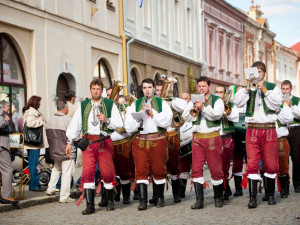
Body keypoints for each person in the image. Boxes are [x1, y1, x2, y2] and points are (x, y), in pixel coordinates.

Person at [65, 79, 122, 215]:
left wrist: (106, 120)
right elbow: (75, 124)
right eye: (93, 88)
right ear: (90, 90)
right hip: (88, 142)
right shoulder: (83, 105)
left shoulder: (109, 104)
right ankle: (90, 206)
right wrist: (69, 141)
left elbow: (119, 123)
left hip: (104, 141)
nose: (95, 91)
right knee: (88, 172)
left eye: (98, 89)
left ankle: (109, 201)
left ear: (101, 90)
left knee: (107, 172)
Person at [234, 61, 282, 208]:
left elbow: (276, 104)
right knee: (252, 163)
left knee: (271, 163)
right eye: (255, 72)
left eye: (260, 72)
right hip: (253, 128)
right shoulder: (246, 89)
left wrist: (265, 90)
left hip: (268, 128)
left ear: (264, 73)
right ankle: (253, 198)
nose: (258, 75)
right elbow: (237, 103)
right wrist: (248, 89)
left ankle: (270, 195)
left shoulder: (273, 88)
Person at [125, 78, 172, 210]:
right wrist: (139, 119)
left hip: (158, 140)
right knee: (141, 170)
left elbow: (166, 122)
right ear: (142, 89)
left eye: (149, 87)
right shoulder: (134, 105)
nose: (147, 90)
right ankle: (143, 200)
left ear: (153, 88)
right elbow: (128, 127)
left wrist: (152, 112)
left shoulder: (162, 103)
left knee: (159, 169)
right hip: (140, 140)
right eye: (145, 88)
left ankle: (159, 198)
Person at [182, 76, 225, 209]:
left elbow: (217, 115)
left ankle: (218, 198)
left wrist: (203, 108)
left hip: (212, 137)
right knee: (196, 169)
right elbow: (185, 117)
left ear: (208, 87)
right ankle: (199, 200)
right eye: (199, 86)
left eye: (203, 86)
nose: (201, 88)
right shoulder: (194, 100)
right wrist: (193, 109)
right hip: (197, 138)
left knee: (215, 169)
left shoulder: (216, 100)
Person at [148, 80, 187, 205]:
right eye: (158, 90)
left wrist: (169, 102)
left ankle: (176, 194)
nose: (160, 92)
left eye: (161, 90)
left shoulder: (171, 100)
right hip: (156, 136)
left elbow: (185, 106)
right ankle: (156, 196)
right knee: (156, 166)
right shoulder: (150, 102)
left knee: (173, 165)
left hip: (170, 136)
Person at [46, 100, 76, 203]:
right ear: (66, 108)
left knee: (56, 169)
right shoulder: (68, 120)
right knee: (67, 173)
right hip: (66, 150)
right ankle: (64, 196)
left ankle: (51, 189)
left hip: (54, 150)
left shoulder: (49, 120)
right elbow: (74, 136)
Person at [214, 86, 239, 200]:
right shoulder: (212, 104)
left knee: (224, 166)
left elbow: (235, 118)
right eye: (217, 92)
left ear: (225, 94)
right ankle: (225, 188)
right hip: (214, 138)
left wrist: (226, 110)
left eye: (221, 92)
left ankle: (224, 189)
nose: (219, 94)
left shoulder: (231, 105)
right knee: (216, 167)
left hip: (226, 138)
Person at [23, 96, 49, 192]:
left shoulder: (32, 111)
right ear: (35, 102)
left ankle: (35, 184)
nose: (40, 104)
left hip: (34, 143)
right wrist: (41, 120)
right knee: (33, 164)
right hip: (33, 143)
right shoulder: (31, 112)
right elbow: (30, 124)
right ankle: (33, 185)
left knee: (33, 164)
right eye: (39, 102)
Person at [283, 80, 300, 193]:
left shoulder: (297, 100)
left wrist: (290, 105)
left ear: (291, 89)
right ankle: (284, 186)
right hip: (283, 130)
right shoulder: (278, 100)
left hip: (295, 130)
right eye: (283, 89)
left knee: (297, 158)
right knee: (283, 160)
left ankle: (297, 184)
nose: (285, 91)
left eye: (287, 89)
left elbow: (299, 114)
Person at [0, 102, 18, 205]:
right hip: (1, 144)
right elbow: (1, 123)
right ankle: (7, 197)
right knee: (7, 170)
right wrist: (6, 120)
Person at [231, 86, 247, 197]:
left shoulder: (250, 103)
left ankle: (253, 187)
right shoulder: (233, 106)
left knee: (252, 163)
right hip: (236, 136)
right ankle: (238, 188)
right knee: (237, 163)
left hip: (249, 136)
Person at [178, 93, 194, 198]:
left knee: (197, 168)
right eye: (182, 99)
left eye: (186, 98)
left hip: (193, 141)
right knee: (182, 169)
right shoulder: (176, 111)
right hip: (181, 143)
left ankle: (199, 191)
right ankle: (181, 191)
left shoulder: (193, 108)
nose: (184, 100)